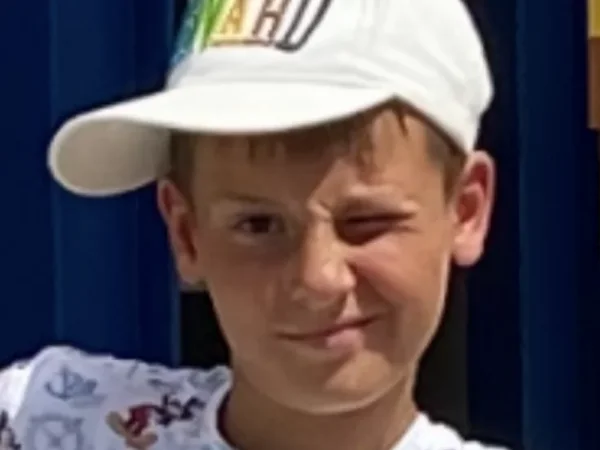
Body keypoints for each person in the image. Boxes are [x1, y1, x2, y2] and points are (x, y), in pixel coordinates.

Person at [0, 0, 506, 449]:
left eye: (368, 221)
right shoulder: (40, 420)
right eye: (258, 224)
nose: (318, 278)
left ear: (465, 211)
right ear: (186, 234)